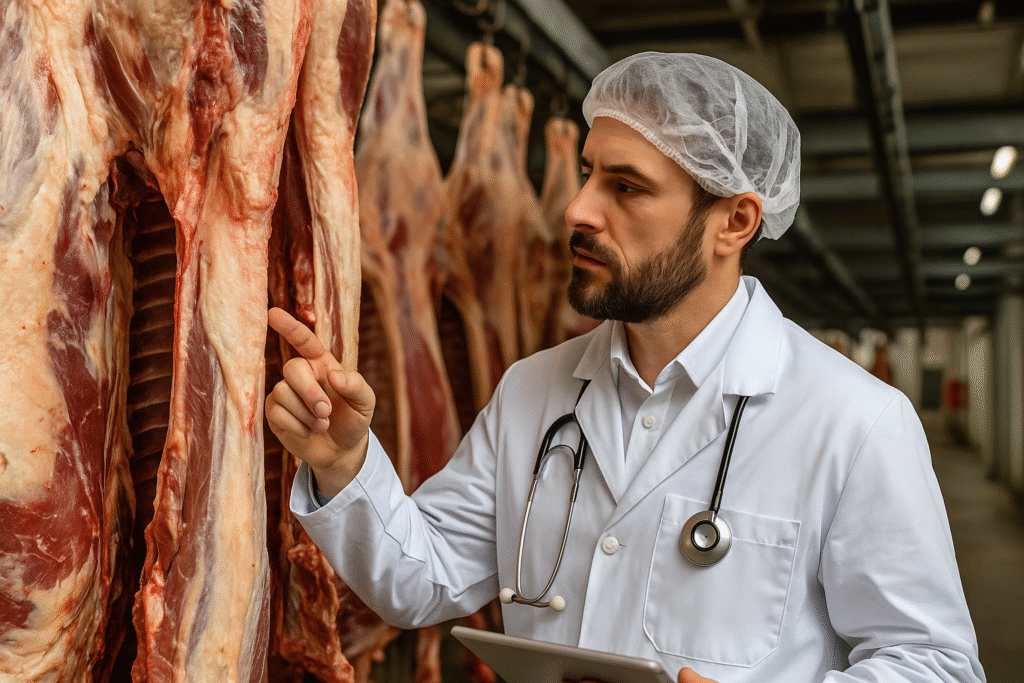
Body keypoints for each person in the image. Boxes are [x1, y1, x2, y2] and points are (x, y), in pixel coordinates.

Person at [266, 52, 985, 683]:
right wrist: (345, 463)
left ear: (734, 222)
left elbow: (934, 661)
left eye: (626, 186)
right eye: (586, 174)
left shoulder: (852, 420)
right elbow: (421, 581)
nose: (578, 208)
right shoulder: (532, 391)